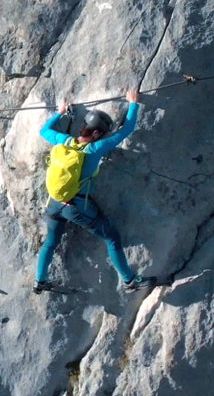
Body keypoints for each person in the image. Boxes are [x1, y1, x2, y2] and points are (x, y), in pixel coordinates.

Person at [33, 88, 157, 294]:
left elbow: (44, 130)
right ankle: (130, 281)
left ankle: (40, 281)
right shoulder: (94, 150)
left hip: (54, 202)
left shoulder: (64, 141)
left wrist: (60, 112)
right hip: (76, 207)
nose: (104, 137)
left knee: (51, 241)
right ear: (97, 133)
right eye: (103, 134)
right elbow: (126, 130)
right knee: (112, 237)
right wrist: (133, 103)